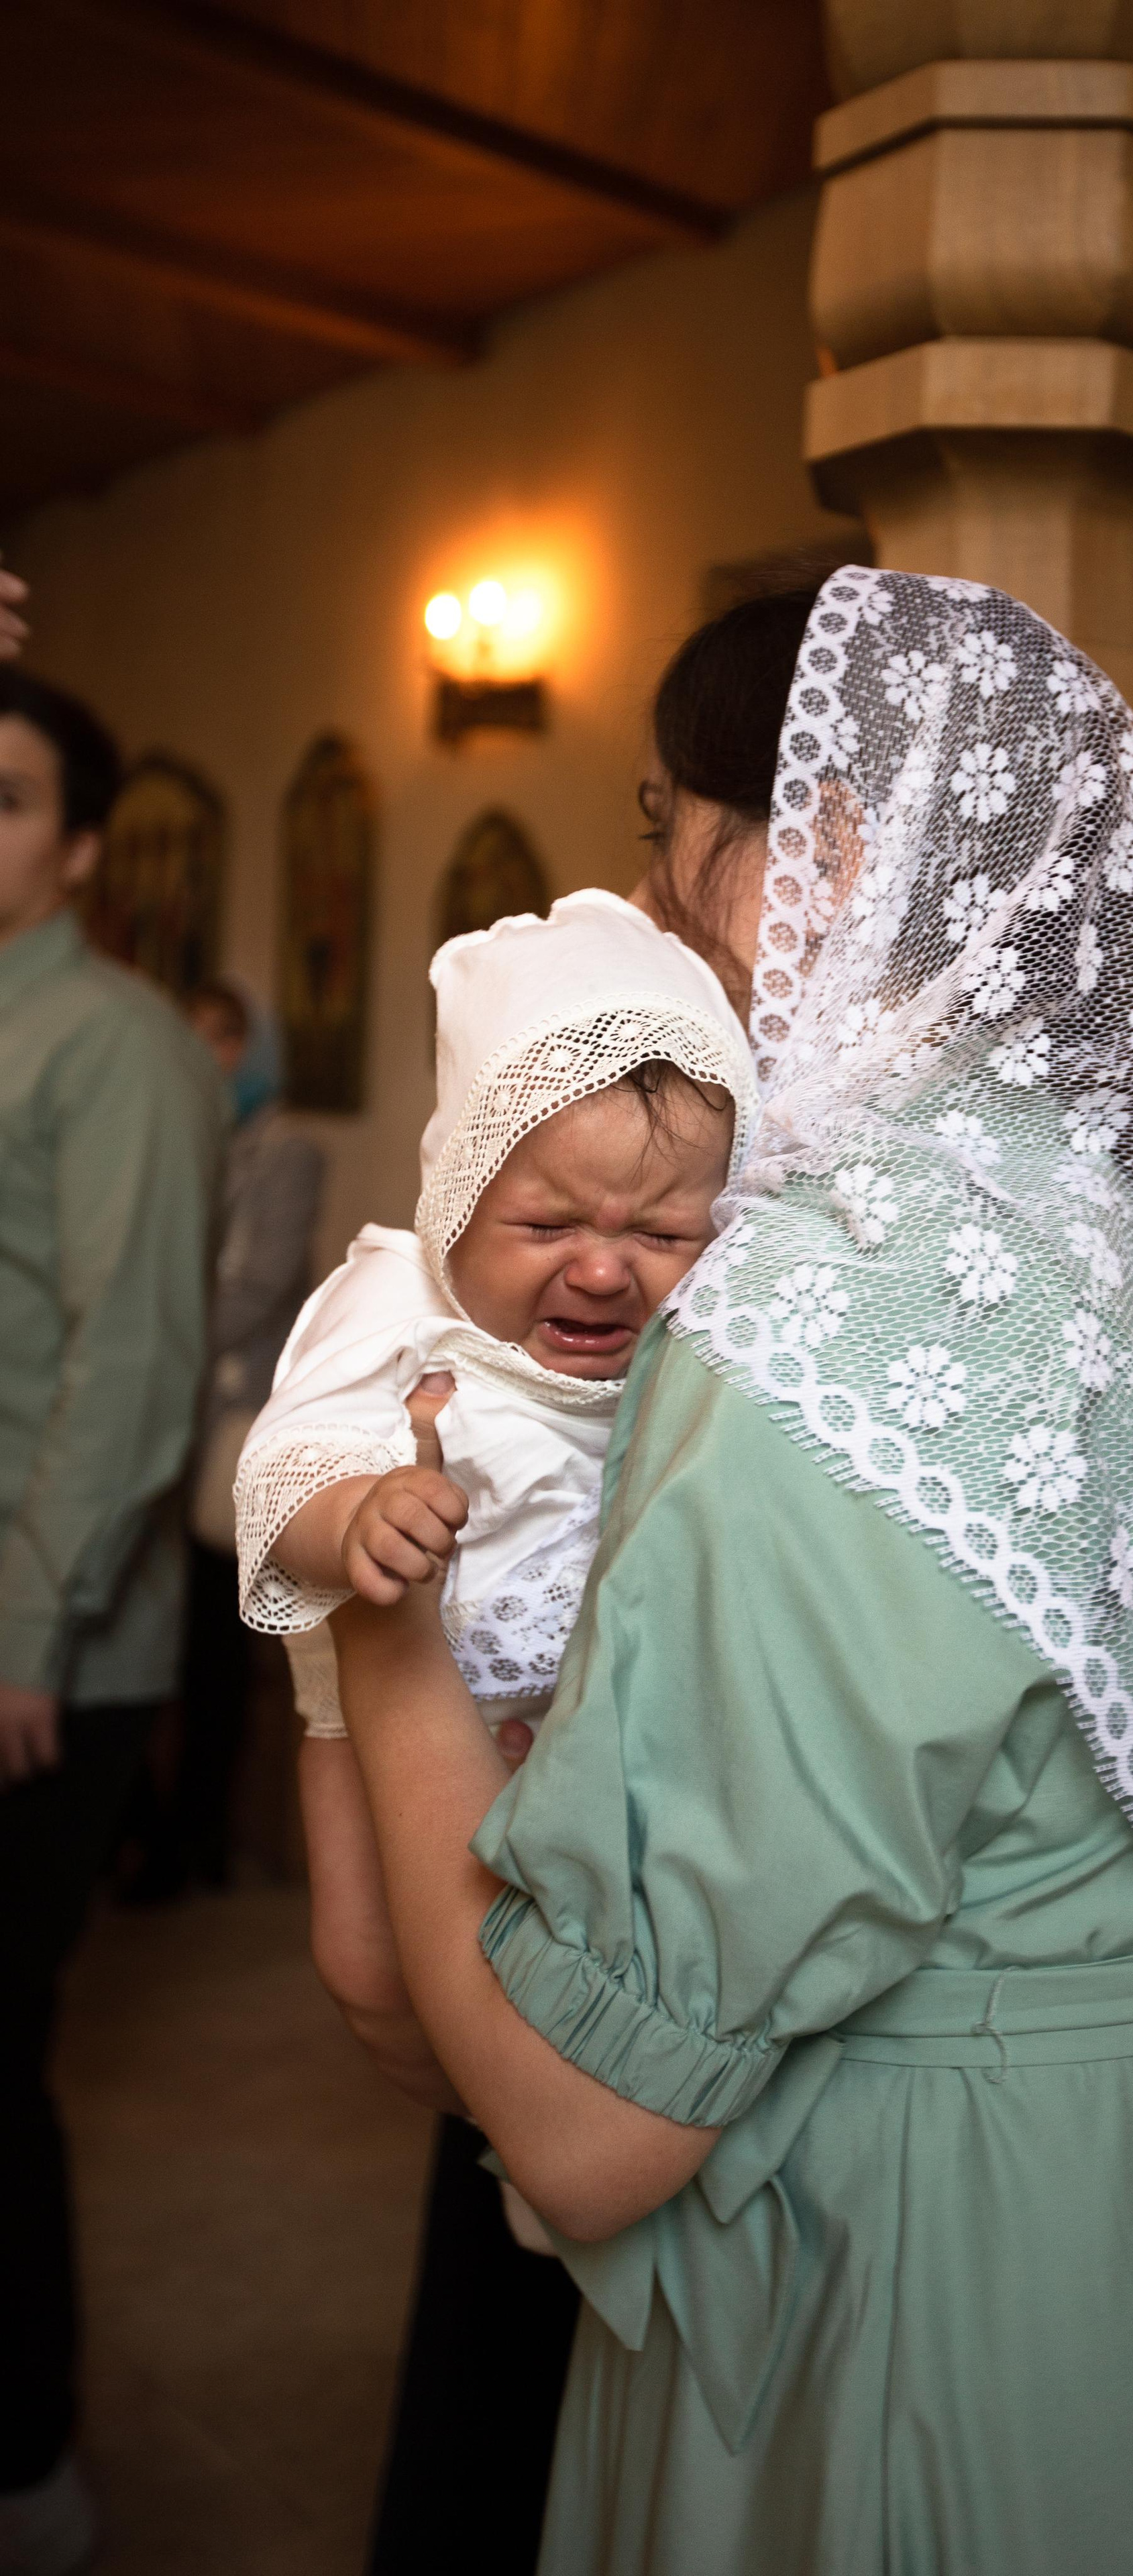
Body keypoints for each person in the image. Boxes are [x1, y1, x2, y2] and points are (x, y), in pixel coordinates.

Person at [322, 570, 1133, 2574]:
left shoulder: (829, 1317)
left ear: (816, 854)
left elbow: (591, 2129)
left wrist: (376, 1619)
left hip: (956, 2291)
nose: (659, 914)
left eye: (665, 843)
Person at [235, 890, 755, 2570]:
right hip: (388, 1696)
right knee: (380, 1962)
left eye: (664, 1232)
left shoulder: (691, 1367)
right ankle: (482, 2127)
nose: (603, 1266)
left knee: (562, 1983)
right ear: (458, 1195)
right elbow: (280, 1473)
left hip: (564, 1742)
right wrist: (361, 1519)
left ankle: (539, 2158)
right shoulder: (399, 1314)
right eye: (544, 1220)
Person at [0, 668, 224, 2575]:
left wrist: (27, 1630)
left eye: (1, 800)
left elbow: (133, 1368)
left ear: (79, 846)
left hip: (35, 1652)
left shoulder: (115, 1043)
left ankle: (29, 2472)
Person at [123, 979, 325, 1900]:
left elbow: (258, 1285)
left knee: (214, 1634)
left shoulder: (289, 1151)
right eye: (193, 1036)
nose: (211, 1056)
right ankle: (150, 1828)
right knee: (157, 1623)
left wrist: (156, 1344)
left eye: (224, 1038)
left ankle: (194, 1837)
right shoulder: (178, 1135)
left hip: (230, 1418)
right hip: (173, 1410)